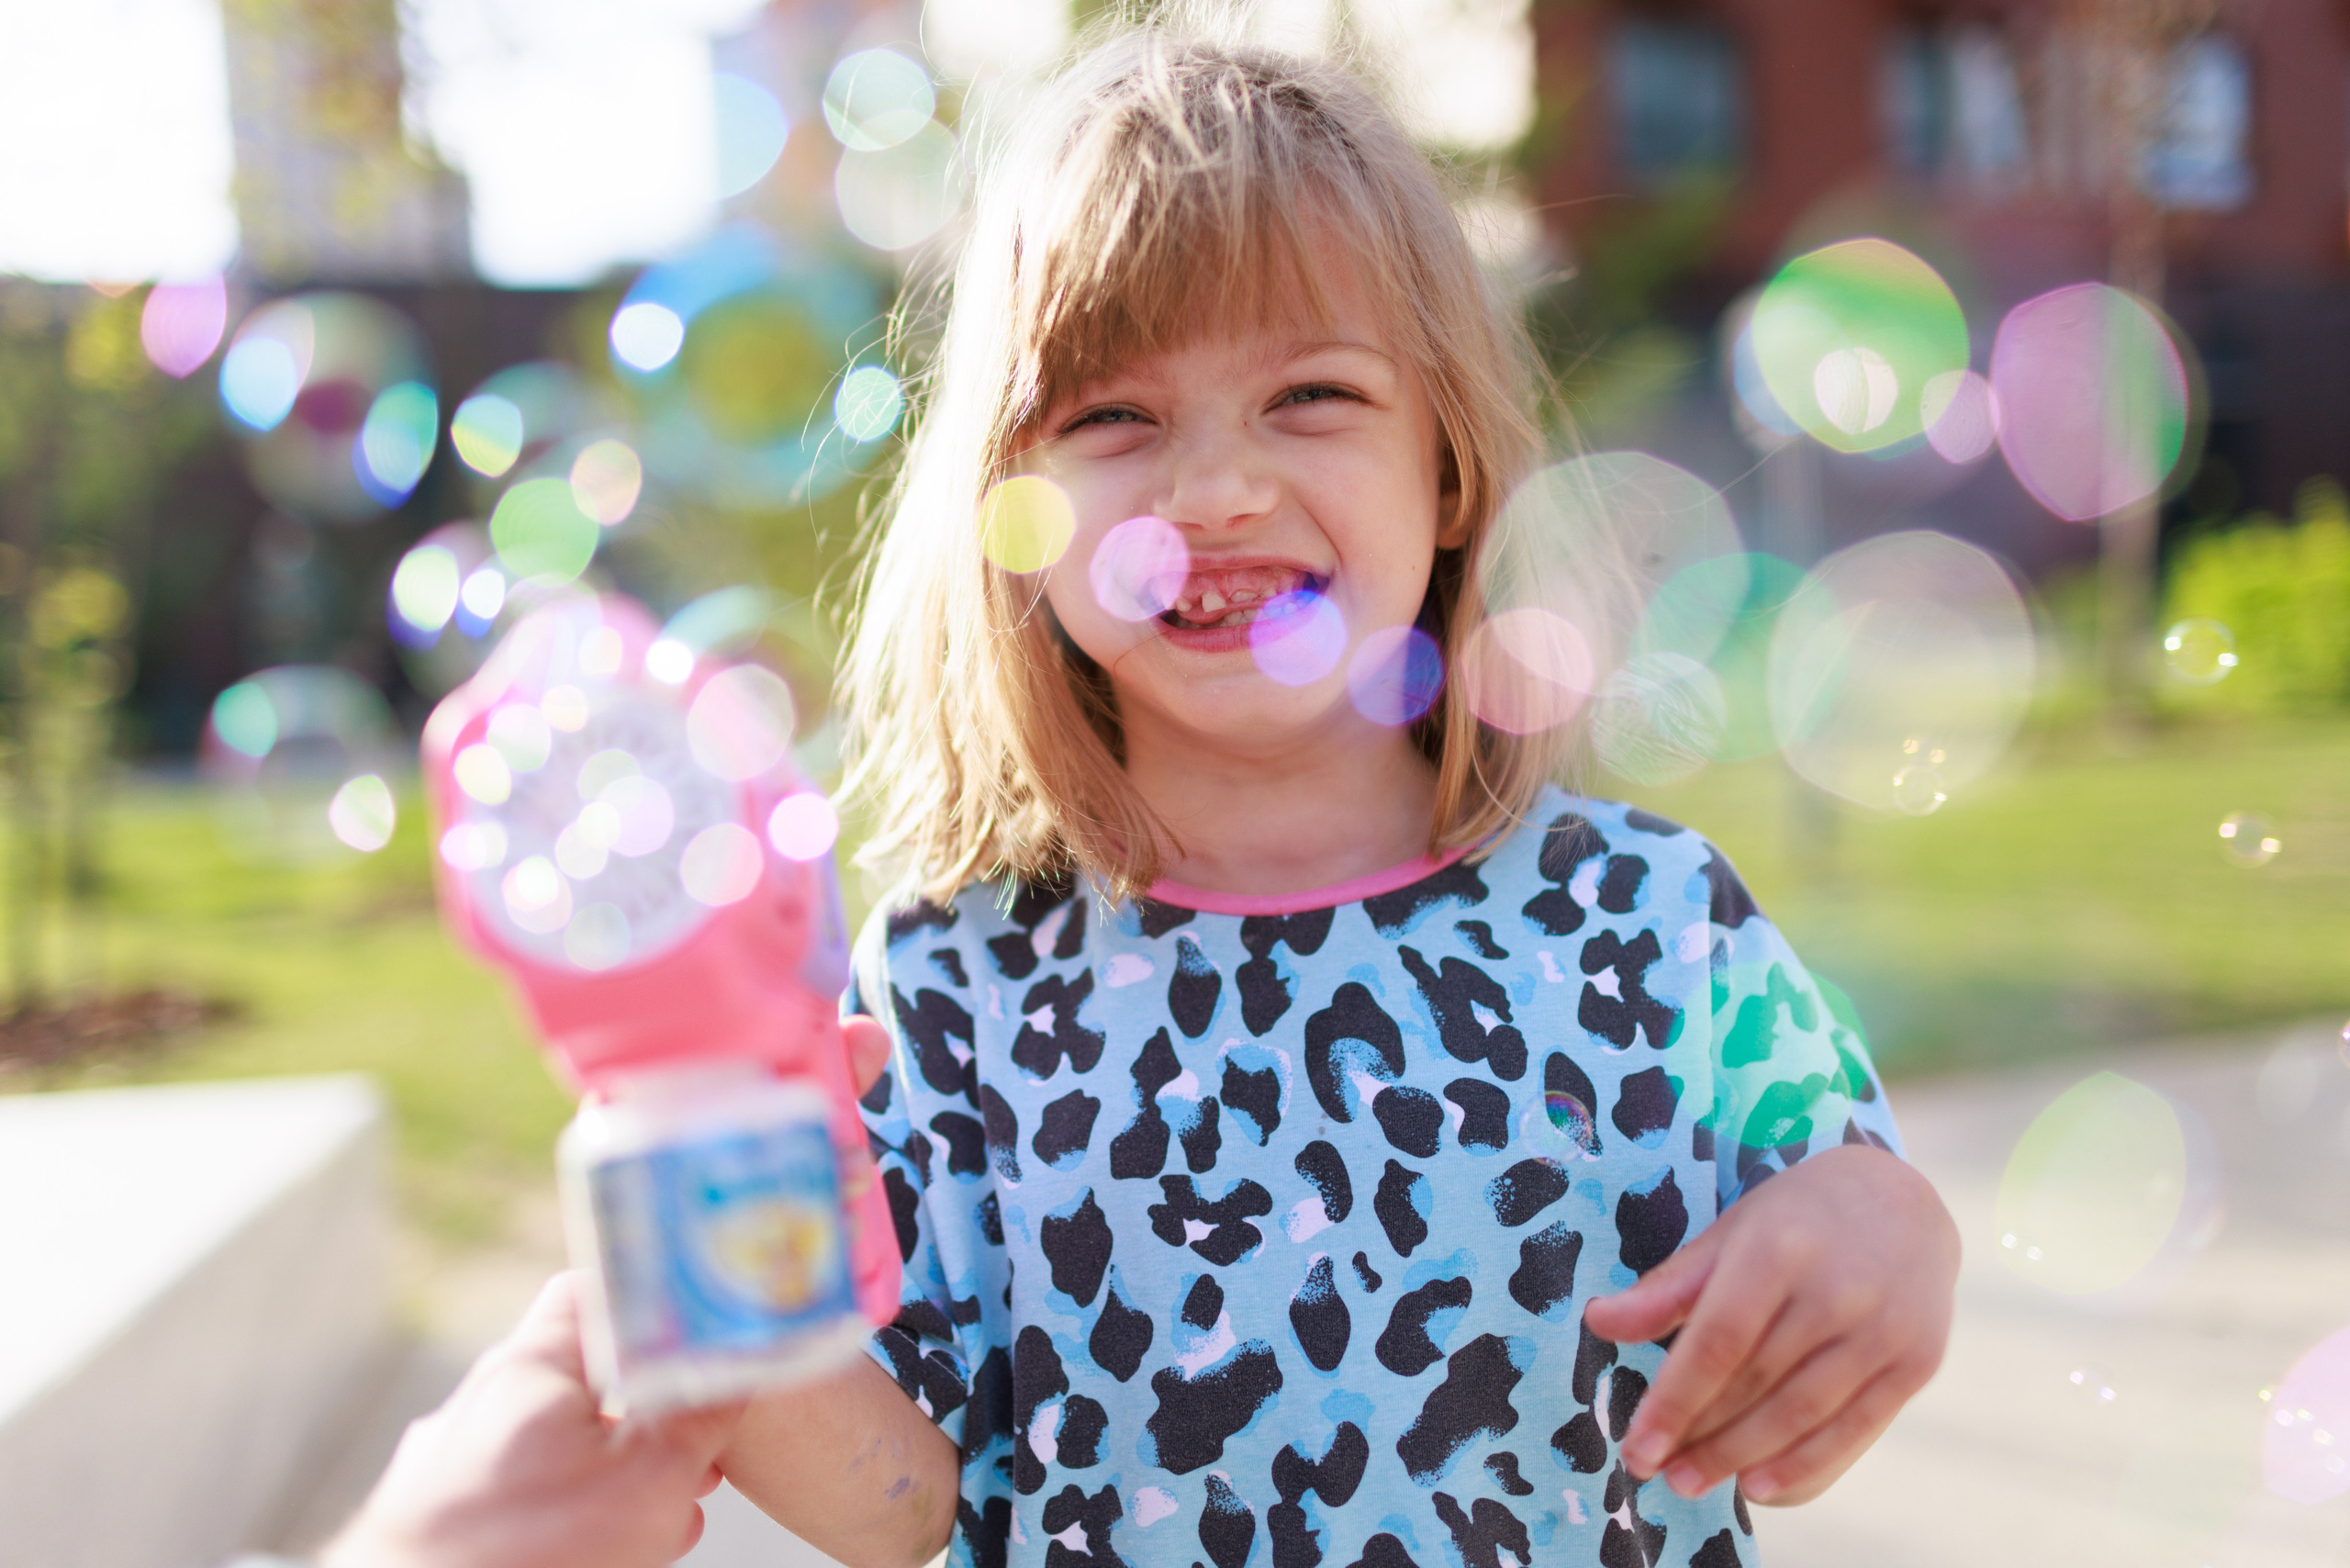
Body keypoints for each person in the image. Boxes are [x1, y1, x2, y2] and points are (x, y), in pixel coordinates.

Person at [712, 18, 1960, 1568]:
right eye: (1113, 418)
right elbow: (894, 1505)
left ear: (1446, 473)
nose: (1217, 491)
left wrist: (1890, 1237)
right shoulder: (955, 983)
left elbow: (1849, 1225)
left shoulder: (1651, 928)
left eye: (1310, 395)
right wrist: (701, 1248)